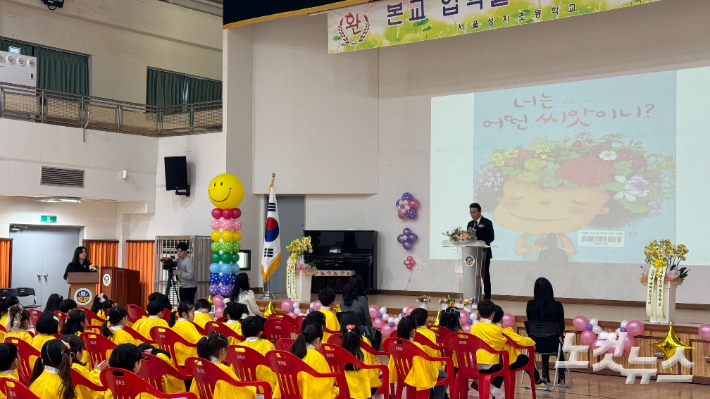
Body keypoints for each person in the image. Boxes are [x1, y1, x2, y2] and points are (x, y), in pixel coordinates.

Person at [388, 317, 446, 399]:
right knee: (443, 375)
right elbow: (426, 364)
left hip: (402, 375)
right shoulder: (416, 346)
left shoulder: (394, 345)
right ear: (413, 331)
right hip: (417, 375)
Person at [276, 324, 337, 399]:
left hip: (290, 395)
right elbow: (326, 383)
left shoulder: (293, 352)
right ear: (318, 340)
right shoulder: (317, 357)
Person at [190, 332, 256, 399]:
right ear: (223, 351)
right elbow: (239, 390)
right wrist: (253, 389)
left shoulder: (198, 365)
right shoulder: (224, 370)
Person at [526, 277, 566, 384]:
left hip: (535, 344)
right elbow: (561, 326)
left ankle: (545, 375)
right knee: (559, 343)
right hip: (553, 344)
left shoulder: (530, 305)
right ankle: (561, 376)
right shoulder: (557, 306)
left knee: (543, 337)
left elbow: (530, 325)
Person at [492, 305, 543, 385]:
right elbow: (521, 341)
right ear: (502, 319)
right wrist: (532, 342)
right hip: (507, 362)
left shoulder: (481, 329)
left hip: (490, 361)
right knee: (525, 359)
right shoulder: (505, 331)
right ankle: (537, 379)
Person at [341, 324, 381, 399]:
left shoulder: (339, 352)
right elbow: (366, 372)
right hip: (363, 389)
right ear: (359, 338)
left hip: (346, 388)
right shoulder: (362, 353)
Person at [237, 316, 277, 391]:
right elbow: (276, 366)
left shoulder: (237, 348)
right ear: (260, 333)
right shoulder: (267, 344)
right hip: (266, 389)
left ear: (242, 333)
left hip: (244, 389)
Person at [62, 334, 107, 399]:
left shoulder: (60, 366)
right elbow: (95, 393)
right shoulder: (78, 369)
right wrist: (97, 372)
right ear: (77, 354)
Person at [467, 202, 495, 300]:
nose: (472, 214)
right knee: (474, 275)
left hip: (484, 253)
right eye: (471, 212)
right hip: (473, 254)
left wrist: (481, 242)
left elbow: (491, 237)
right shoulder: (470, 224)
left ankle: (487, 298)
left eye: (474, 212)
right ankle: (475, 296)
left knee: (484, 275)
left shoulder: (487, 222)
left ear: (480, 212)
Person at [168, 302, 202, 366]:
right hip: (188, 360)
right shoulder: (188, 325)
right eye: (192, 313)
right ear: (184, 314)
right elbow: (199, 340)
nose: (194, 315)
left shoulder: (174, 324)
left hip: (174, 359)